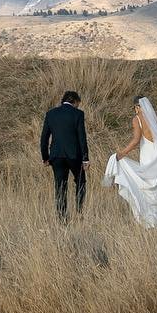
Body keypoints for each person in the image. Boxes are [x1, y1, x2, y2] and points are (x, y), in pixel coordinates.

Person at [102, 94, 157, 228]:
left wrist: (122, 153)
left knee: (146, 184)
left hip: (148, 154)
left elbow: (135, 141)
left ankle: (148, 220)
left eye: (135, 108)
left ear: (137, 107)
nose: (135, 110)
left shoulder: (137, 119)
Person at [40, 89, 89, 222]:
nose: (78, 106)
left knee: (60, 186)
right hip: (75, 156)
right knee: (80, 181)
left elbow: (44, 138)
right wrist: (85, 158)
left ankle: (62, 218)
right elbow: (82, 137)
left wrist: (45, 157)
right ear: (74, 101)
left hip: (56, 156)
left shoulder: (51, 114)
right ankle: (79, 211)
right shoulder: (78, 114)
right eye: (78, 103)